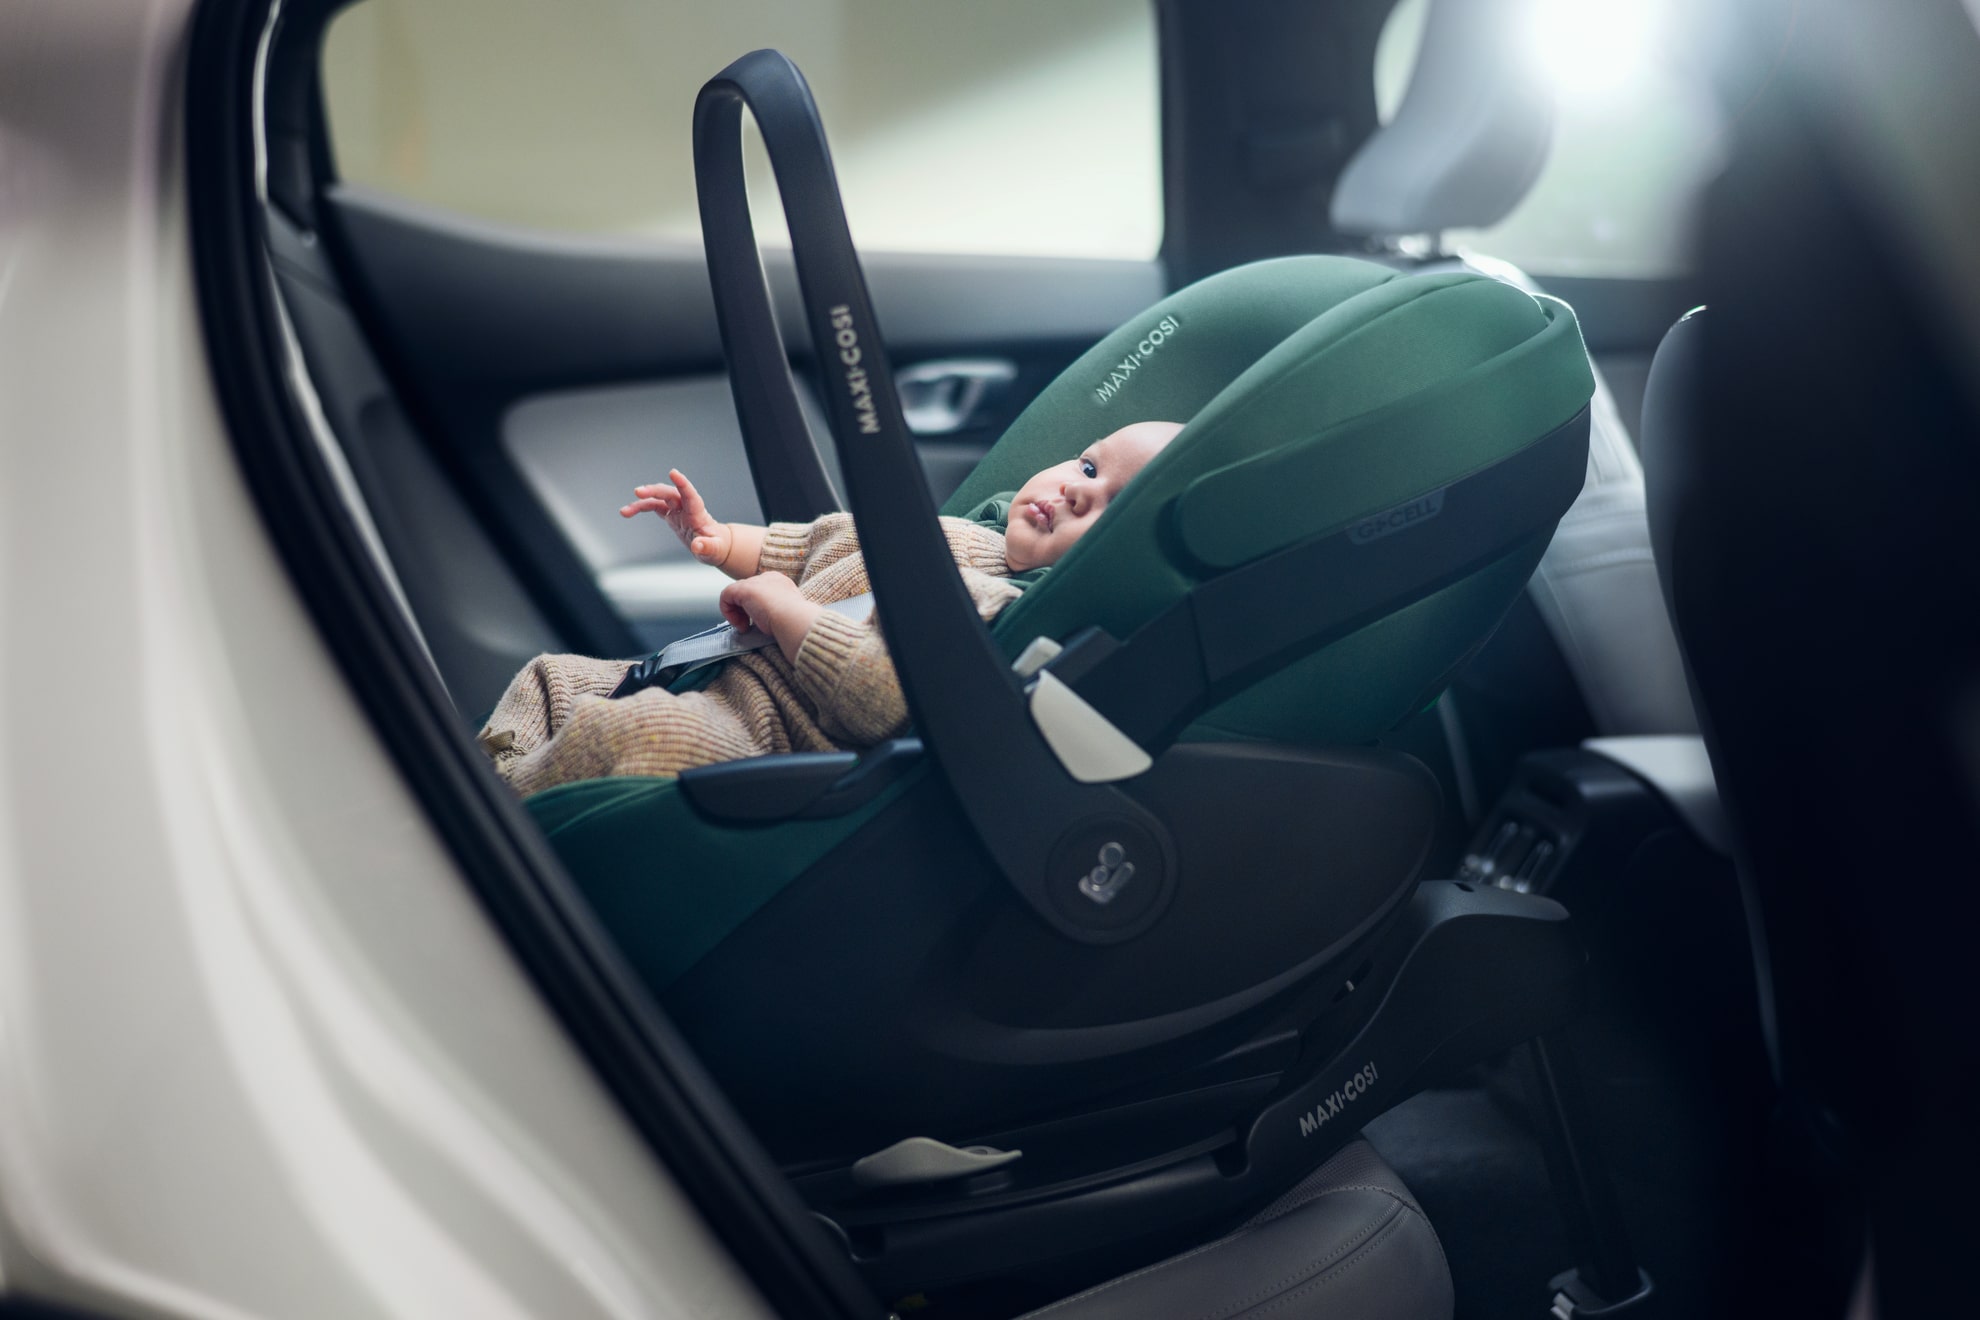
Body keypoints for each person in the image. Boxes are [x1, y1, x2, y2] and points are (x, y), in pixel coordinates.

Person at [479, 420, 1182, 795]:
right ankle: (490, 772)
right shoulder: (964, 532)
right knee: (553, 678)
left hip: (769, 735)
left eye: (1109, 508)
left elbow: (888, 701)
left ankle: (503, 822)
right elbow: (821, 545)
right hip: (717, 678)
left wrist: (791, 615)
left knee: (630, 732)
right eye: (1088, 466)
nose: (1077, 491)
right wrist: (721, 540)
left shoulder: (997, 607)